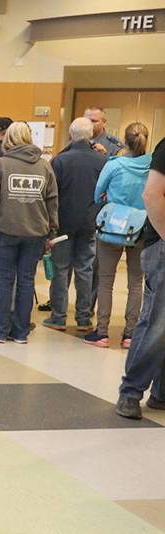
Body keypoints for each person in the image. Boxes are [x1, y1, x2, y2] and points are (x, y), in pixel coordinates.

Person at [0, 122, 58, 344]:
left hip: (6, 231)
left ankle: (0, 331)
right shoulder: (44, 166)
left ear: (8, 139)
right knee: (26, 281)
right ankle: (21, 332)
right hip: (36, 233)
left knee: (4, 282)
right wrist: (51, 232)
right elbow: (52, 201)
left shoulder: (1, 165)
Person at [85, 122, 152, 348]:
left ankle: (102, 332)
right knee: (135, 282)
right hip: (142, 227)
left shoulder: (114, 165)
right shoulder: (153, 166)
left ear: (125, 140)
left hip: (112, 226)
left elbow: (97, 194)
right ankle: (130, 334)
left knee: (106, 280)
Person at [117, 135, 165, 419]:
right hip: (160, 246)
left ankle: (161, 392)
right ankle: (131, 391)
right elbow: (151, 194)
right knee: (157, 322)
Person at [43, 118, 105, 332]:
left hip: (63, 225)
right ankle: (83, 318)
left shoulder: (60, 161)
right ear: (91, 136)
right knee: (85, 269)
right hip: (90, 223)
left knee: (61, 270)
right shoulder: (101, 161)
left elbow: (52, 195)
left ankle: (58, 317)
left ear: (71, 135)